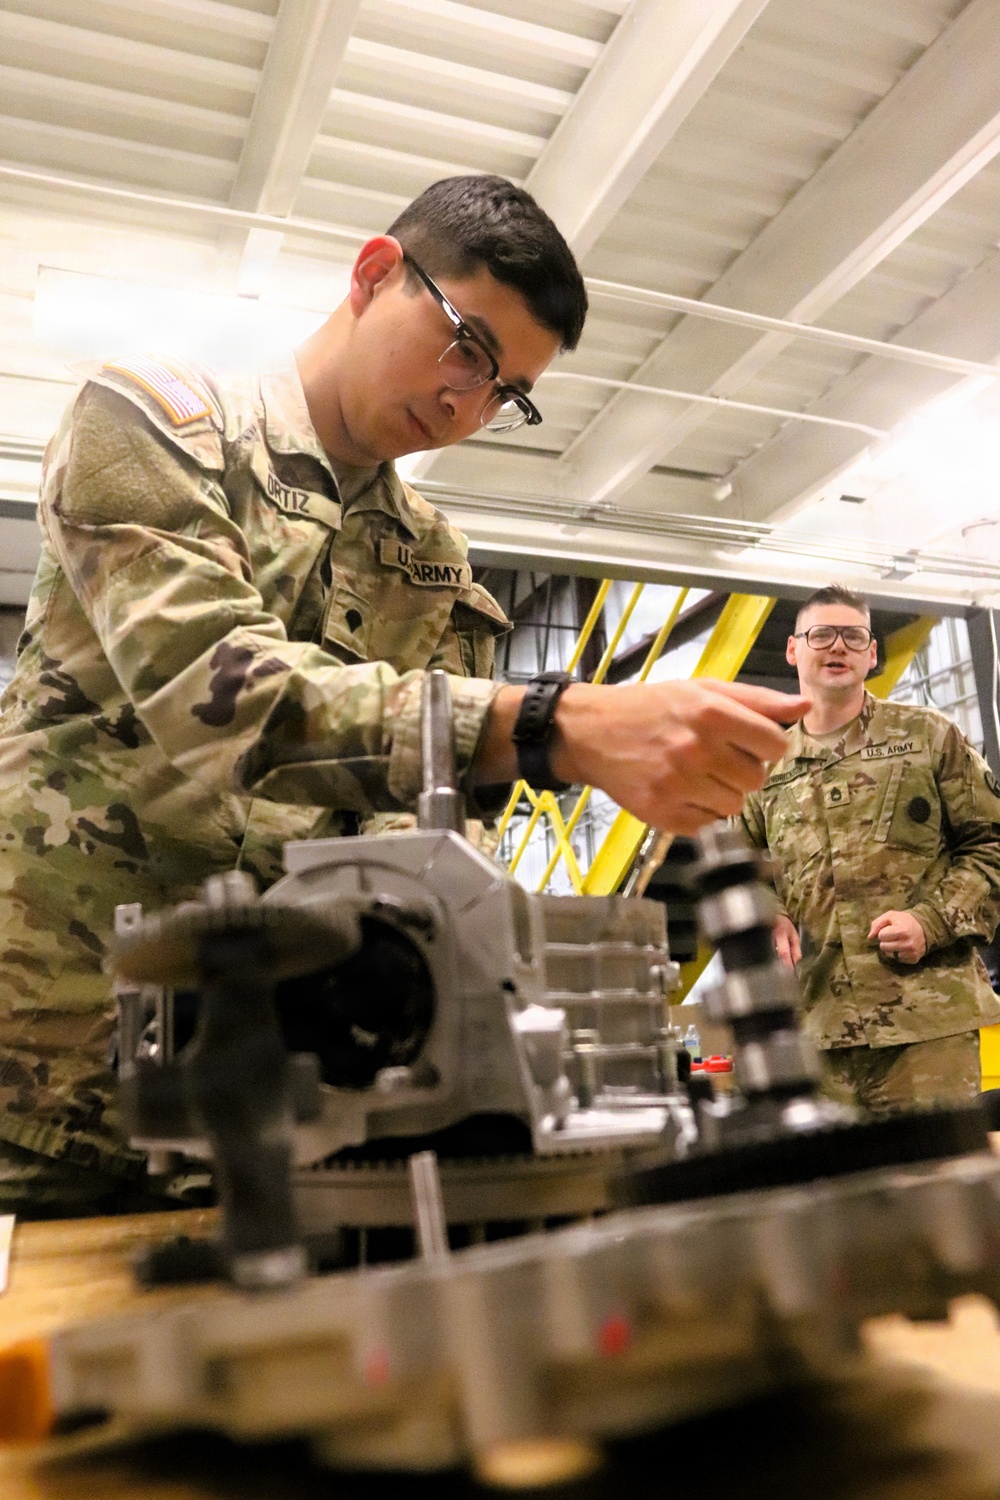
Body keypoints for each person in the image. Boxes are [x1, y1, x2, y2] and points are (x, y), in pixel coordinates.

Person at [0, 175, 806, 1212]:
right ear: (376, 273)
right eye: (468, 347)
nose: (463, 405)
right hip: (52, 1072)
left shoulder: (429, 560)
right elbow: (213, 695)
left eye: (503, 392)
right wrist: (556, 723)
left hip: (303, 1106)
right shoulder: (155, 422)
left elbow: (407, 846)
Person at [740, 583, 1000, 1112]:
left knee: (939, 1187)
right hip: (817, 1031)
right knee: (841, 1194)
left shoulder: (929, 737)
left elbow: (991, 845)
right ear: (794, 649)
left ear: (871, 653)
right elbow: (741, 871)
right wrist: (768, 914)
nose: (838, 647)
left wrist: (931, 921)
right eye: (822, 634)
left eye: (854, 637)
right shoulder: (763, 765)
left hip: (927, 1027)